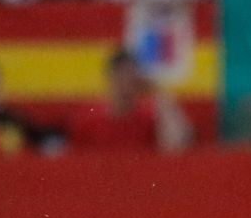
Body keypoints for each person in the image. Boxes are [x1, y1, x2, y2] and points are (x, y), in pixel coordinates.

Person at [65, 48, 193, 150]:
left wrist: (159, 91)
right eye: (120, 76)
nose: (125, 83)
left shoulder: (149, 119)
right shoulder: (87, 120)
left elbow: (176, 147)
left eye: (130, 76)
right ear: (110, 79)